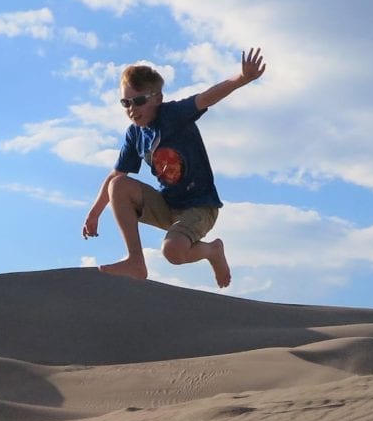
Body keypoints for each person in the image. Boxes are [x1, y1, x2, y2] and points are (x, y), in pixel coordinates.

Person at [82, 47, 266, 288]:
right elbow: (115, 176)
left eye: (138, 101)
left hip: (200, 206)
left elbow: (207, 97)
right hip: (168, 205)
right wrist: (95, 213)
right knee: (118, 185)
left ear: (157, 98)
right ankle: (136, 261)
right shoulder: (135, 134)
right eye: (125, 102)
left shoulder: (173, 115)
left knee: (173, 253)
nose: (131, 108)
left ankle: (212, 251)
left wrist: (242, 78)